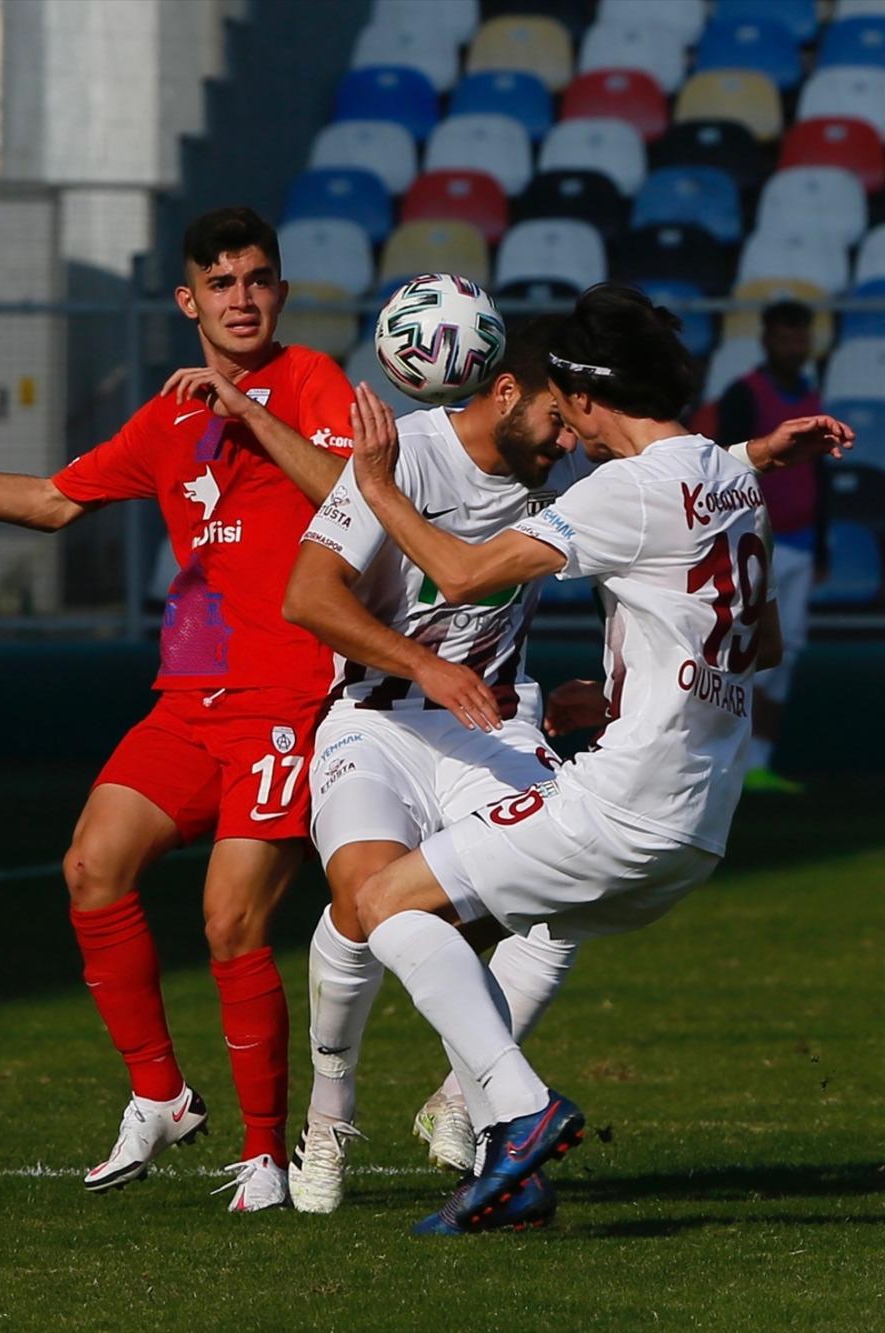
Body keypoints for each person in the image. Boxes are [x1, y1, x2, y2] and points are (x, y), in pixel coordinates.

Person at [0, 207, 356, 1212]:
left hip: (287, 693)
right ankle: (160, 1093)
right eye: (222, 282)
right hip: (189, 691)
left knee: (230, 921)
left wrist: (250, 414)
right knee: (90, 866)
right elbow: (54, 501)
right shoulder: (165, 418)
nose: (242, 298)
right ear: (187, 300)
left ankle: (266, 1157)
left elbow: (352, 495)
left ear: (281, 291)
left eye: (258, 279)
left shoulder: (312, 381)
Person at [344, 285, 851, 1235]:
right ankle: (506, 1164)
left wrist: (377, 484)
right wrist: (625, 687)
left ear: (583, 395)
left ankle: (516, 1112)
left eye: (565, 406)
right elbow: (761, 643)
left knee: (382, 904)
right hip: (700, 830)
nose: (565, 431)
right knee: (474, 920)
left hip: (623, 805)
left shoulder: (625, 490)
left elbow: (459, 573)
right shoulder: (734, 477)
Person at [281, 320, 584, 1220]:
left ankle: (471, 1099)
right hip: (376, 722)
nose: (569, 443)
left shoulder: (558, 471)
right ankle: (329, 1117)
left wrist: (756, 455)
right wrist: (425, 665)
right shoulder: (399, 453)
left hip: (492, 720)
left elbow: (663, 481)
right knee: (366, 900)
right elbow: (307, 595)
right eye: (558, 421)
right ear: (505, 393)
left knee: (567, 893)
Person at [716, 300, 824, 795]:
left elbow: (820, 475)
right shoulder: (743, 395)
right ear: (767, 341)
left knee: (786, 655)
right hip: (755, 544)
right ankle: (732, 757)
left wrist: (822, 547)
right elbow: (725, 469)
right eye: (785, 337)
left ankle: (760, 760)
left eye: (800, 337)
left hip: (801, 543)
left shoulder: (811, 394)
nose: (794, 346)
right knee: (745, 651)